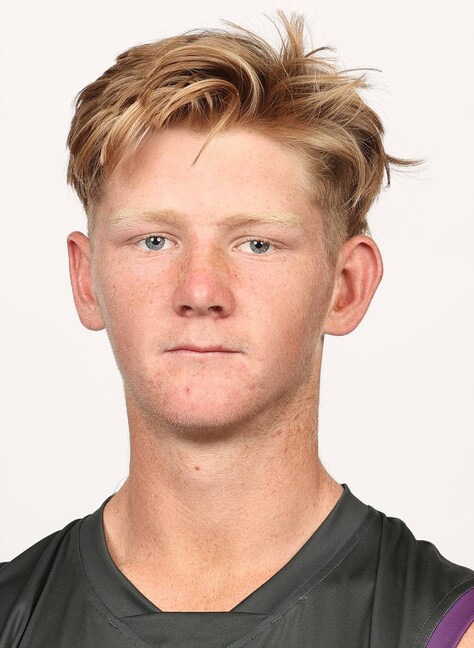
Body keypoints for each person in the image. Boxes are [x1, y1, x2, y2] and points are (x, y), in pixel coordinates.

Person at [1, 11, 473, 648]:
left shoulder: (452, 629)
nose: (200, 292)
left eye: (257, 244)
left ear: (346, 286)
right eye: (154, 240)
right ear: (87, 280)